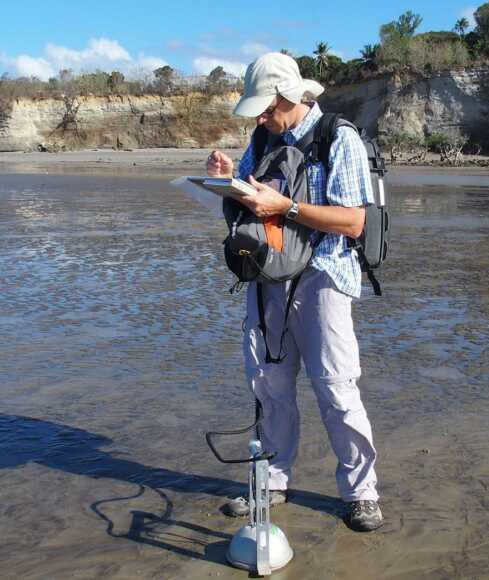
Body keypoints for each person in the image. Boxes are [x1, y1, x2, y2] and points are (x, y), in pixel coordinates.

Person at [205, 52, 383, 532]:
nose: (260, 118)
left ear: (289, 96)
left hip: (325, 276)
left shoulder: (338, 138)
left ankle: (362, 494)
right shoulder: (264, 136)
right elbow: (248, 197)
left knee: (337, 389)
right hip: (267, 276)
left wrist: (286, 207)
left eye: (266, 108)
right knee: (269, 387)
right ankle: (271, 482)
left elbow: (354, 221)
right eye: (258, 111)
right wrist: (226, 182)